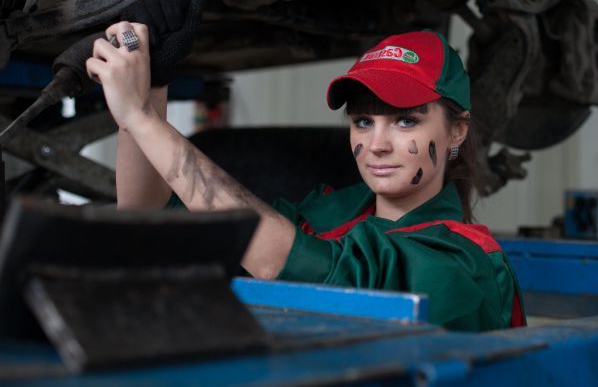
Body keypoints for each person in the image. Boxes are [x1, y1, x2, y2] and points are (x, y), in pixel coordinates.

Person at [88, 17, 526, 331]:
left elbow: (286, 262)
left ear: (456, 132)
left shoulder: (465, 263)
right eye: (363, 122)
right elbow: (147, 213)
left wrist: (144, 118)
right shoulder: (336, 210)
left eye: (406, 121)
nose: (376, 144)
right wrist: (153, 84)